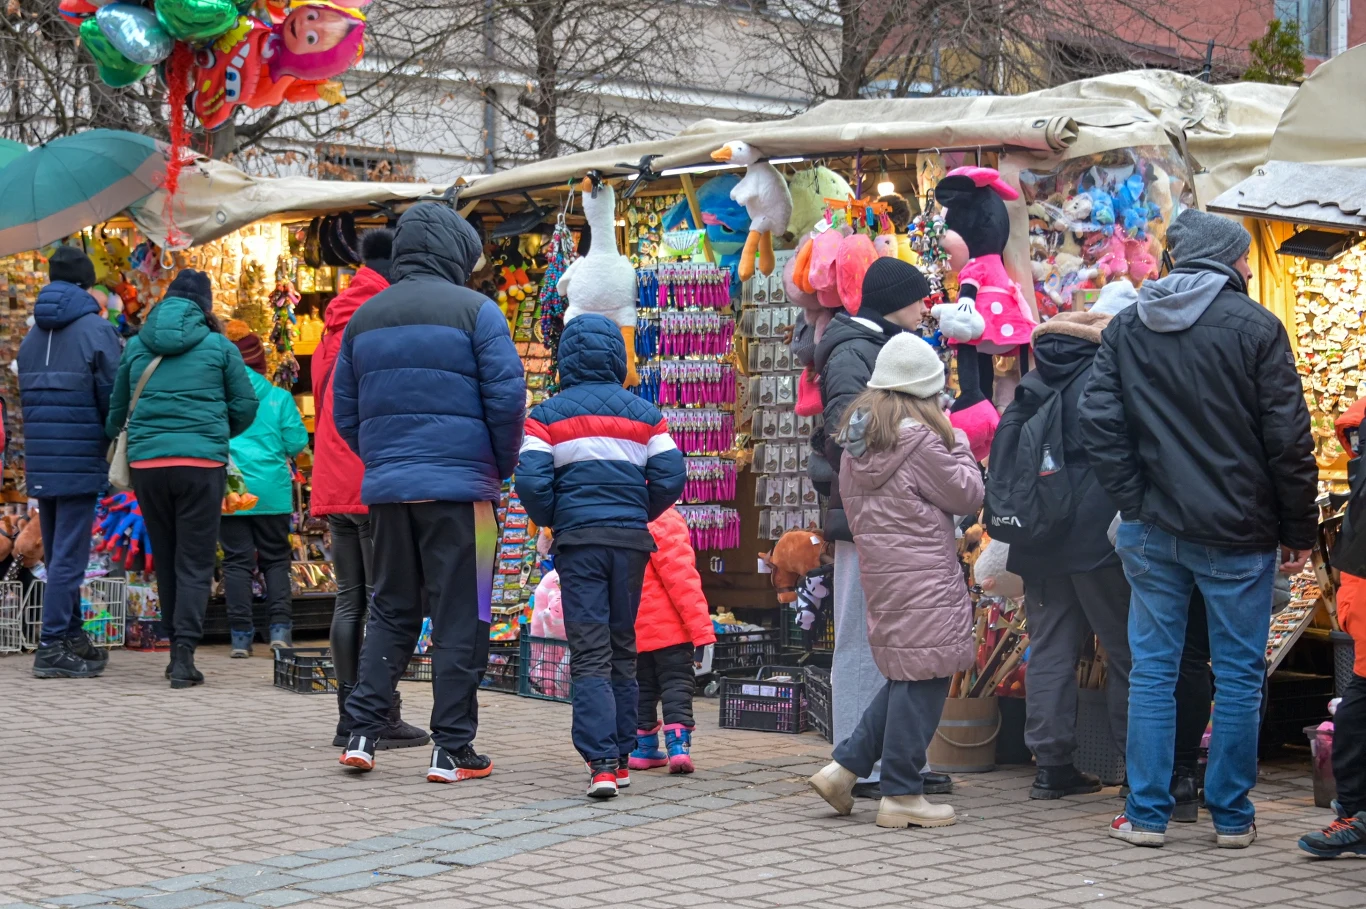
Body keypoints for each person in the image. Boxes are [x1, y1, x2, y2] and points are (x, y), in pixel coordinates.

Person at [1079, 209, 1317, 848]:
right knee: (1238, 675)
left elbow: (1098, 422)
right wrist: (1299, 528)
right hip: (1236, 530)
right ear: (1229, 260)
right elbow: (1288, 439)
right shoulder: (1256, 326)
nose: (1249, 268)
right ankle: (1232, 817)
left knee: (1154, 671)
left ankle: (1146, 815)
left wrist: (1134, 498)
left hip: (1155, 527)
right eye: (1244, 258)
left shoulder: (1130, 326)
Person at [333, 203, 524, 782]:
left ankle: (362, 732)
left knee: (390, 608)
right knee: (465, 614)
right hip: (465, 492)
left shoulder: (365, 317)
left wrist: (386, 461)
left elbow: (345, 413)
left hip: (390, 492)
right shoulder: (477, 311)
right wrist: (498, 467)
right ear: (455, 252)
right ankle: (452, 747)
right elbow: (507, 400)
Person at [809, 332, 981, 828]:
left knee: (910, 673)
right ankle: (902, 793)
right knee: (926, 676)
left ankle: (844, 768)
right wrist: (960, 442)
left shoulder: (858, 443)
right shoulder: (921, 441)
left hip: (885, 574)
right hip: (924, 574)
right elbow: (968, 494)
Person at [515, 314, 686, 799]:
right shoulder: (646, 414)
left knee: (590, 650)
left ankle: (602, 764)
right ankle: (623, 755)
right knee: (622, 646)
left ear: (565, 358)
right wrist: (637, 511)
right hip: (630, 544)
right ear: (617, 357)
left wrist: (557, 517)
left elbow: (530, 480)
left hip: (580, 545)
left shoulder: (545, 416)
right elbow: (672, 475)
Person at [808, 257, 952, 798]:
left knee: (900, 639)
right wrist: (924, 442)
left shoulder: (876, 344)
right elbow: (848, 432)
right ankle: (860, 763)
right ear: (896, 301)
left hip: (889, 515)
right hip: (866, 516)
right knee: (861, 635)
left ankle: (895, 759)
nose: (925, 308)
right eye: (918, 298)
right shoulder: (853, 350)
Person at [998, 304, 1131, 800]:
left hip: (1037, 536)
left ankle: (1051, 767)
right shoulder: (1105, 378)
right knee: (1128, 652)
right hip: (1097, 537)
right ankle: (1139, 770)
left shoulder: (1033, 382)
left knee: (1050, 647)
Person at [106, 269, 258, 688]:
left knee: (168, 557)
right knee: (195, 560)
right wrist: (215, 433)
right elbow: (246, 405)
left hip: (148, 466)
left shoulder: (137, 345)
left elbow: (116, 411)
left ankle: (175, 645)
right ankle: (183, 657)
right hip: (201, 465)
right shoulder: (219, 346)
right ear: (206, 307)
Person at [310, 228, 428, 750]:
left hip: (333, 476)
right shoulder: (385, 319)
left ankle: (348, 716)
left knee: (349, 601)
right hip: (371, 475)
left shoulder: (332, 325)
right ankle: (377, 715)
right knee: (388, 602)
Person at [21, 246, 123, 679]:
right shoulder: (95, 330)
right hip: (80, 454)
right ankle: (50, 647)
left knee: (58, 550)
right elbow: (113, 395)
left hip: (42, 457)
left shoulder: (32, 335)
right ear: (86, 284)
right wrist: (111, 438)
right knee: (69, 555)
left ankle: (70, 635)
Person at [219, 321, 309, 655]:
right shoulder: (278, 398)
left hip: (232, 490)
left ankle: (240, 638)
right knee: (276, 561)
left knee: (236, 562)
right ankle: (280, 632)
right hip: (272, 492)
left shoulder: (218, 397)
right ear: (259, 361)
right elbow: (296, 441)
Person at [628, 505, 716, 775]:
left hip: (635, 627)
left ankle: (642, 749)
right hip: (672, 630)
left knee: (641, 687)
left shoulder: (622, 511)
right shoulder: (663, 517)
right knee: (677, 684)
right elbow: (682, 579)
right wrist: (701, 630)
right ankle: (678, 748)